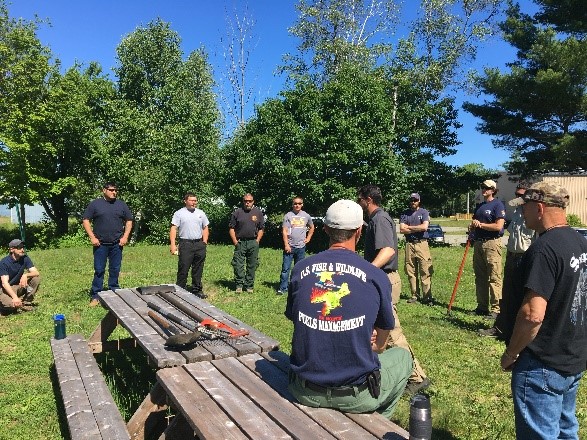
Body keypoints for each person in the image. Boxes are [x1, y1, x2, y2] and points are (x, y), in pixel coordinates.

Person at [285, 199, 412, 419]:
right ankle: (377, 423)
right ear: (360, 231)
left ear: (325, 229)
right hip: (355, 395)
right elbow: (380, 345)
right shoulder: (376, 276)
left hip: (304, 390)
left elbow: (296, 317)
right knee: (402, 357)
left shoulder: (300, 269)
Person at [500, 182, 587, 439]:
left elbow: (532, 315)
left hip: (542, 363)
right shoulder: (580, 243)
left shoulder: (544, 249)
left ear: (539, 208)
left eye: (524, 208)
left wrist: (511, 352)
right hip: (571, 357)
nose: (521, 213)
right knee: (565, 430)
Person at [357, 185, 430, 395]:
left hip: (385, 279)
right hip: (381, 278)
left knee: (390, 331)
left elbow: (388, 251)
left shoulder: (379, 219)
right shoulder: (375, 219)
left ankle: (416, 377)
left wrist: (367, 270)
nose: (359, 203)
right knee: (382, 329)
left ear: (368, 200)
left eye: (360, 199)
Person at [479, 182, 535, 338]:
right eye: (516, 194)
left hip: (525, 256)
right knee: (508, 293)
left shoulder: (533, 213)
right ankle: (502, 328)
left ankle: (521, 332)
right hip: (512, 255)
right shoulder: (517, 210)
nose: (517, 197)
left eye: (521, 195)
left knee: (522, 295)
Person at [82, 182, 133, 306]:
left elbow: (129, 220)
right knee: (99, 270)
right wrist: (92, 237)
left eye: (115, 190)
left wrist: (125, 237)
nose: (114, 192)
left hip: (117, 243)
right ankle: (96, 295)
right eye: (111, 190)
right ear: (104, 190)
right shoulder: (95, 204)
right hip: (100, 244)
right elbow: (86, 220)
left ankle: (114, 292)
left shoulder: (121, 205)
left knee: (115, 269)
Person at [469, 179, 506, 319]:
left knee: (494, 276)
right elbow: (474, 223)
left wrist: (481, 225)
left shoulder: (498, 205)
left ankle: (496, 309)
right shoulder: (479, 206)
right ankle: (482, 306)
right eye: (482, 187)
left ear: (493, 190)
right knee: (480, 277)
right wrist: (472, 227)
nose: (483, 189)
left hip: (492, 244)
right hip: (478, 243)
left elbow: (498, 226)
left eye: (487, 188)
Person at [169, 192, 209, 298]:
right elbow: (173, 228)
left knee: (198, 268)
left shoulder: (200, 213)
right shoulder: (179, 213)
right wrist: (173, 245)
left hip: (199, 244)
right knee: (184, 267)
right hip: (185, 244)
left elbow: (205, 227)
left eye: (195, 200)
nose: (194, 202)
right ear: (185, 201)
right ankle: (180, 290)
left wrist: (204, 241)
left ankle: (197, 290)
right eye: (191, 200)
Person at [400, 193, 434, 304]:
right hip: (409, 244)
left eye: (415, 200)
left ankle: (427, 296)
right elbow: (401, 229)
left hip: (422, 244)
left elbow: (424, 227)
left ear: (419, 200)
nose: (413, 202)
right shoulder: (405, 214)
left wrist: (409, 227)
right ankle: (414, 295)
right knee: (410, 270)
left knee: (425, 269)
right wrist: (416, 228)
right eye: (411, 200)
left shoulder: (424, 212)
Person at [277, 196, 315, 295]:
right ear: (292, 204)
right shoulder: (288, 216)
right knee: (286, 269)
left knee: (300, 269)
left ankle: (298, 288)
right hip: (289, 247)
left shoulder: (306, 216)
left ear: (302, 205)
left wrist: (308, 238)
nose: (297, 205)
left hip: (301, 247)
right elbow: (284, 231)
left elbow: (312, 227)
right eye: (295, 203)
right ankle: (283, 288)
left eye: (299, 203)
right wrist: (286, 245)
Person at [228, 193, 265, 293]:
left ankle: (249, 286)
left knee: (252, 264)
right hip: (240, 242)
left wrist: (257, 241)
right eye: (245, 201)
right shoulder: (237, 212)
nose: (247, 203)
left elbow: (261, 228)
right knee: (238, 264)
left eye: (250, 201)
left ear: (253, 201)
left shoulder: (258, 212)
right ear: (243, 201)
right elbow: (231, 228)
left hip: (253, 242)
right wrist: (235, 241)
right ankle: (239, 285)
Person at [0, 239, 40, 314]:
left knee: (35, 279)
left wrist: (26, 275)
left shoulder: (25, 258)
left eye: (23, 247)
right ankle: (4, 305)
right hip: (5, 290)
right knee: (12, 306)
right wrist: (15, 297)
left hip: (19, 287)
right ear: (12, 249)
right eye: (19, 247)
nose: (22, 250)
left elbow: (36, 272)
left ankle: (27, 302)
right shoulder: (4, 263)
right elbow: (5, 283)